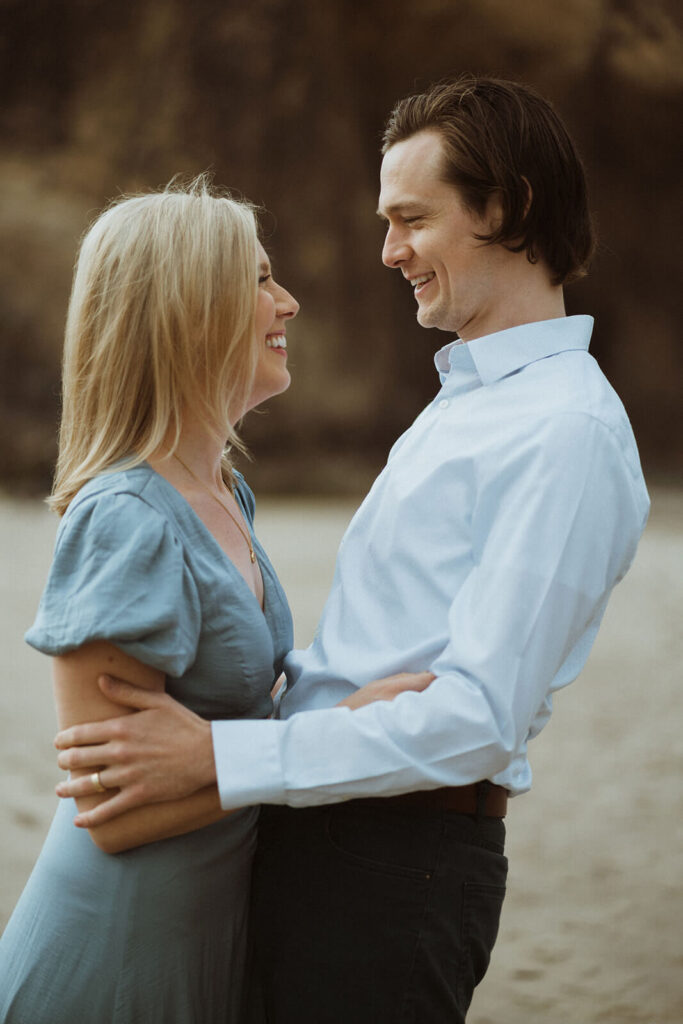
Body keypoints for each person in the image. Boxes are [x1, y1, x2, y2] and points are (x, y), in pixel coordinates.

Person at [53, 77, 650, 1023]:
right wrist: (300, 703)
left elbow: (477, 723)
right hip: (325, 838)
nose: (388, 251)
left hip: (396, 868)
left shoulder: (562, 432)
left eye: (412, 219)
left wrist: (229, 753)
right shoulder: (469, 407)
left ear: (508, 208)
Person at [0, 178, 431, 1022]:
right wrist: (326, 741)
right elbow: (111, 814)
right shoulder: (126, 516)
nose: (289, 301)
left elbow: (233, 722)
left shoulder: (226, 491)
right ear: (186, 311)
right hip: (119, 949)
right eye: (259, 279)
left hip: (210, 927)